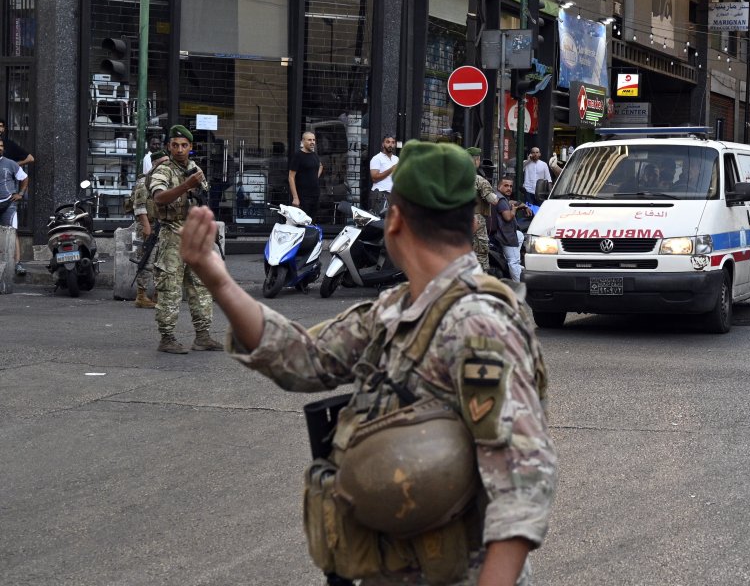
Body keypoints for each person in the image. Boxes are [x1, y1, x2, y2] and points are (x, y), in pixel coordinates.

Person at [178, 140, 556, 583]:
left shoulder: (479, 324)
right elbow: (305, 358)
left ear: (394, 222)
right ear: (467, 220)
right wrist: (216, 278)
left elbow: (523, 482)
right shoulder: (398, 309)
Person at [148, 125, 219, 354]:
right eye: (175, 145)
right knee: (170, 289)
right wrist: (186, 186)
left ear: (190, 147)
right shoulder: (164, 170)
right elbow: (159, 198)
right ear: (169, 147)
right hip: (172, 234)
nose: (179, 149)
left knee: (201, 287)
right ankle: (167, 338)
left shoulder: (195, 169)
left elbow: (203, 198)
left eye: (184, 145)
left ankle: (203, 336)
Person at [125, 151, 165, 309]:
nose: (166, 165)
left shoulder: (162, 180)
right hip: (148, 225)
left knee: (160, 261)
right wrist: (147, 226)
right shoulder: (144, 180)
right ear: (154, 163)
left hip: (161, 225)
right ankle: (141, 295)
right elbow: (139, 206)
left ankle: (157, 294)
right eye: (163, 162)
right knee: (147, 260)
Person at [0, 140, 28, 276]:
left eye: (1, 146)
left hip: (8, 203)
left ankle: (18, 263)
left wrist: (20, 193)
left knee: (12, 232)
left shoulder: (10, 163)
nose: (0, 148)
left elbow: (24, 177)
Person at [470, 147, 500, 270]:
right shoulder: (479, 180)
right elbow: (493, 200)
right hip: (476, 219)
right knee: (481, 251)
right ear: (476, 161)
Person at [492, 177, 525, 281]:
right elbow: (508, 217)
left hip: (504, 233)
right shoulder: (501, 200)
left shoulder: (500, 197)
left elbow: (510, 202)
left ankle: (516, 262)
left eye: (511, 186)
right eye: (506, 186)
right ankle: (518, 285)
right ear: (499, 187)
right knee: (513, 262)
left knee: (520, 235)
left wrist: (524, 206)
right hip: (505, 235)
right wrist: (514, 211)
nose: (509, 188)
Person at [289, 131, 323, 218]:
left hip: (315, 195)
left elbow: (320, 166)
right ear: (303, 141)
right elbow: (291, 177)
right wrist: (295, 197)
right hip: (303, 196)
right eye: (309, 140)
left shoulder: (314, 154)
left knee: (312, 222)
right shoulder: (298, 156)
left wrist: (314, 178)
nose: (312, 142)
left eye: (314, 140)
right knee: (302, 222)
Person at [369, 135, 398, 214]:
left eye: (393, 142)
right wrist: (392, 169)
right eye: (388, 142)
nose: (390, 145)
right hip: (380, 194)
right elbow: (374, 177)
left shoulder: (396, 159)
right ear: (383, 144)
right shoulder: (377, 158)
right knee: (379, 222)